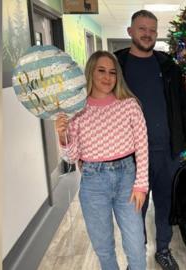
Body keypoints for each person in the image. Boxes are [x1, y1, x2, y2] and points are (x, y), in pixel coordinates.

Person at [114, 9, 186, 270]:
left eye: (152, 30)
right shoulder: (117, 65)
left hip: (168, 152)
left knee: (166, 204)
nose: (147, 34)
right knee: (134, 210)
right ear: (130, 31)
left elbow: (184, 108)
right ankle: (136, 254)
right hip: (129, 155)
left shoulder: (168, 66)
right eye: (142, 28)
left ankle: (163, 250)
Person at [55, 51, 148, 270]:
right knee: (103, 247)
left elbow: (143, 147)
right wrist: (62, 136)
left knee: (136, 247)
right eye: (101, 71)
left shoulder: (129, 105)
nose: (107, 77)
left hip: (127, 177)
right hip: (93, 182)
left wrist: (141, 185)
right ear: (91, 73)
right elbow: (71, 157)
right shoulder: (77, 110)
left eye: (112, 72)